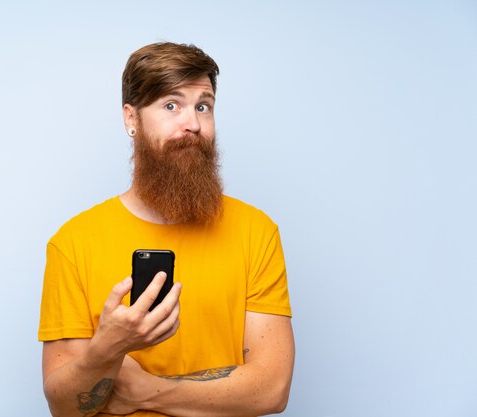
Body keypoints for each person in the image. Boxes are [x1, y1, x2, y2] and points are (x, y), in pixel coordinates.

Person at [38, 42, 295, 417]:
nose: (192, 123)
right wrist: (108, 347)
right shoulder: (73, 243)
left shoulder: (256, 231)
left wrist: (148, 392)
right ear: (131, 118)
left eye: (203, 106)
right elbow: (64, 407)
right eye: (171, 105)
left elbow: (271, 390)